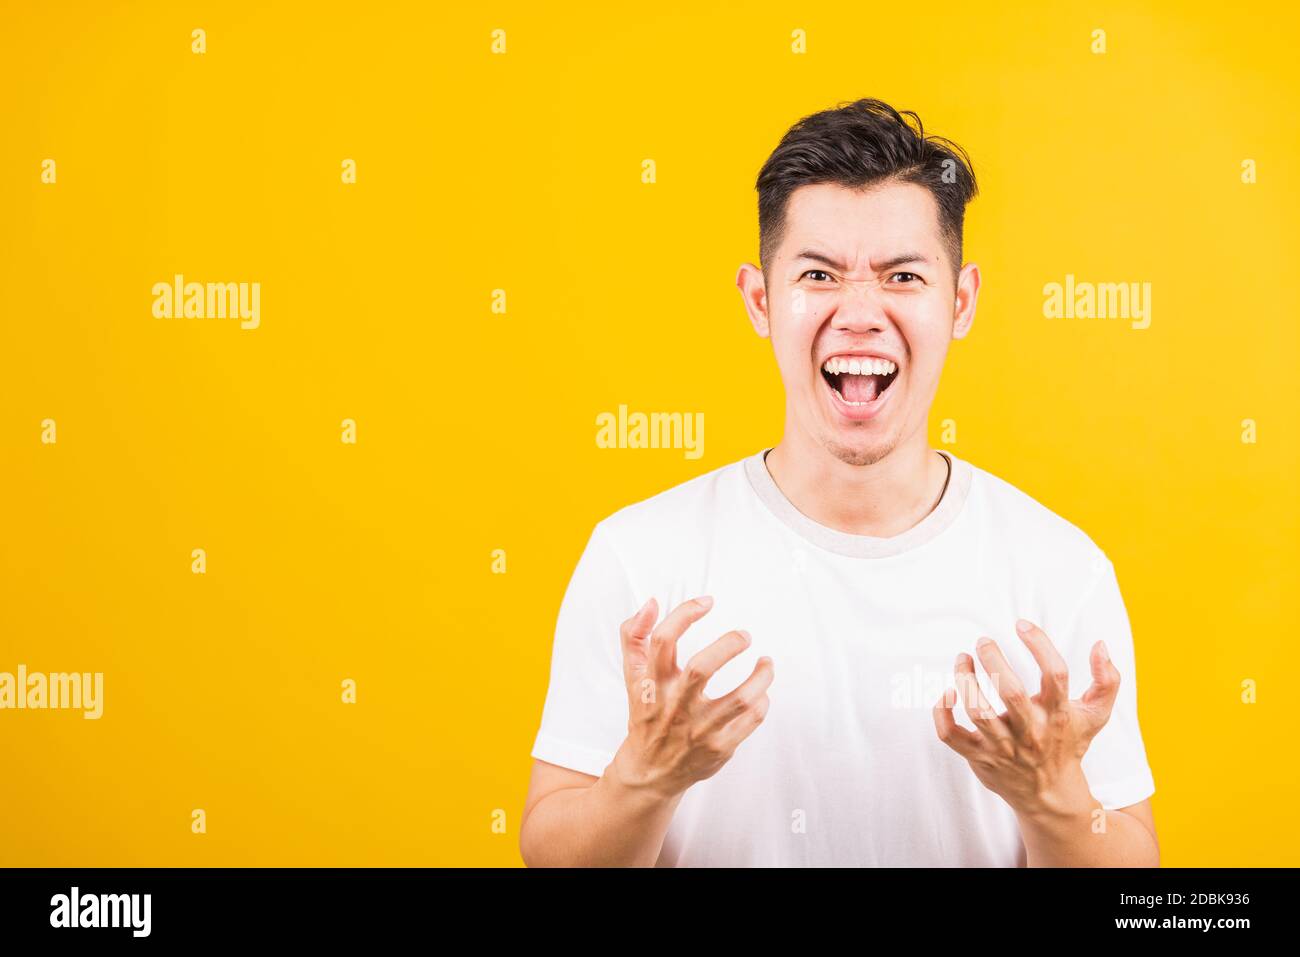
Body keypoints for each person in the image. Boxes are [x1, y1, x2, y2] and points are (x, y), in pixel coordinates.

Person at [519, 98, 1159, 867]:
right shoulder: (639, 559)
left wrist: (1052, 796)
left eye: (903, 276)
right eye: (818, 273)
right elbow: (551, 853)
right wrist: (643, 780)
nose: (860, 313)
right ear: (760, 300)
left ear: (961, 302)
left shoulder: (1062, 571)